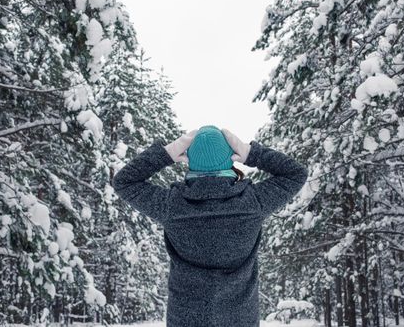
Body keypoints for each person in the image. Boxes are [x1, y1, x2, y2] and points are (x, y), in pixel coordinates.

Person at [112, 125, 308, 327]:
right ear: (230, 160)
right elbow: (295, 173)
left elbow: (124, 182)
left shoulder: (172, 206)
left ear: (191, 163)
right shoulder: (253, 203)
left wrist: (168, 153)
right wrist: (251, 153)